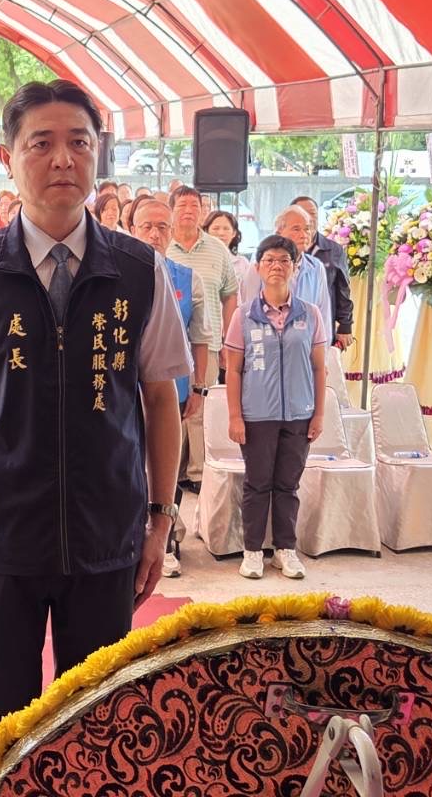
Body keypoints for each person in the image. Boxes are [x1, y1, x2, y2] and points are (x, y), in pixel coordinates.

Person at [0, 78, 189, 741]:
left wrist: (158, 521)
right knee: (6, 728)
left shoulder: (138, 271)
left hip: (105, 541)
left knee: (98, 727)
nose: (63, 159)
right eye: (42, 143)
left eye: (79, 143)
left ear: (97, 156)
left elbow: (160, 401)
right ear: (7, 158)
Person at [225, 235, 327, 582]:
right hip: (257, 416)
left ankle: (285, 549)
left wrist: (319, 413)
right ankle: (253, 551)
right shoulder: (244, 316)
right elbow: (234, 369)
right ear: (258, 267)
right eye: (269, 260)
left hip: (299, 413)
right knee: (257, 484)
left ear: (295, 267)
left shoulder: (310, 315)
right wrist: (236, 416)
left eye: (284, 260)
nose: (276, 266)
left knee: (287, 485)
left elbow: (318, 368)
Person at [130, 197, 209, 579]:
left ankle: (168, 538)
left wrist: (198, 388)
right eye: (147, 226)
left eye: (163, 227)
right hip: (126, 393)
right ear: (133, 229)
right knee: (131, 463)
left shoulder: (186, 277)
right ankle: (132, 532)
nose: (155, 234)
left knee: (169, 466)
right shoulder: (118, 276)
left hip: (172, 391)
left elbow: (200, 337)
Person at [166, 185, 239, 491]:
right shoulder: (162, 246)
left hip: (205, 343)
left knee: (198, 407)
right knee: (168, 406)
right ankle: (173, 471)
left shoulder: (217, 249)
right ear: (172, 210)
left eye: (195, 206)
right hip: (166, 343)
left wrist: (226, 340)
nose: (189, 211)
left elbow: (230, 295)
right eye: (182, 205)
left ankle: (197, 473)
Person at [237, 207, 331, 332]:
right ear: (279, 232)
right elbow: (248, 307)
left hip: (305, 345)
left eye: (307, 229)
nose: (304, 235)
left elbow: (323, 315)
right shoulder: (261, 264)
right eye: (296, 229)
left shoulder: (316, 267)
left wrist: (322, 348)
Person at [291, 196, 354, 348]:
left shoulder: (333, 250)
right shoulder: (280, 252)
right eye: (303, 213)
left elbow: (342, 289)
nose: (309, 219)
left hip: (321, 325)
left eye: (313, 214)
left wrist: (345, 324)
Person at [204, 207, 251, 284]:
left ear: (234, 233)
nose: (221, 233)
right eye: (216, 228)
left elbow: (247, 293)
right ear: (206, 231)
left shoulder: (242, 264)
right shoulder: (198, 260)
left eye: (226, 229)